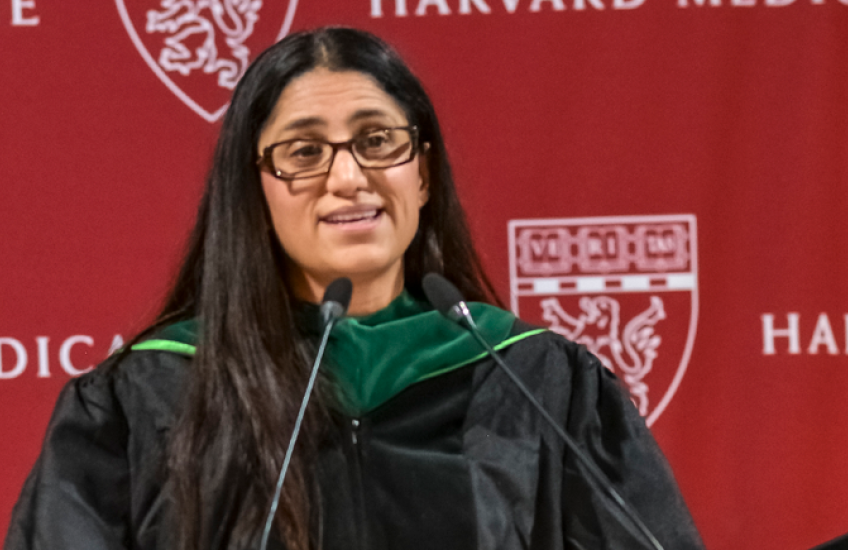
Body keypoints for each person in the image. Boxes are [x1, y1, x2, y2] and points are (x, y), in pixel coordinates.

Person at [4, 27, 705, 550]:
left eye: (377, 141)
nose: (348, 178)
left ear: (422, 174)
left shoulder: (536, 381)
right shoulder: (147, 398)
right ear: (255, 191)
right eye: (304, 152)